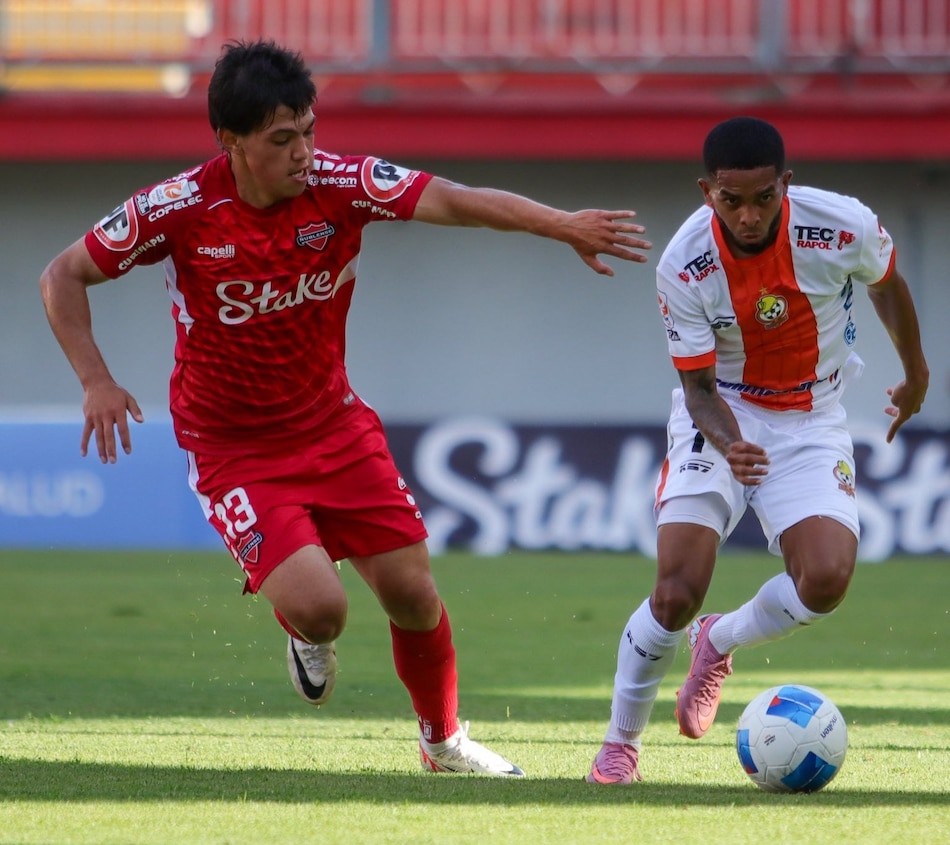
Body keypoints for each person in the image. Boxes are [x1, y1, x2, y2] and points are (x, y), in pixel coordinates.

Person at [39, 39, 651, 778]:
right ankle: (305, 631)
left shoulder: (341, 184)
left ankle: (443, 742)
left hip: (333, 423)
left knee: (414, 594)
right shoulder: (181, 208)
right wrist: (96, 379)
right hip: (233, 446)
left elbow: (454, 199)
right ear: (230, 142)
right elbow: (63, 273)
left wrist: (561, 225)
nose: (304, 152)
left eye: (309, 130)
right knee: (326, 609)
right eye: (282, 139)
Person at [586, 116, 929, 785]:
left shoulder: (842, 225)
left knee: (826, 580)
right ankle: (620, 743)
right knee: (676, 589)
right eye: (730, 199)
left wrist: (915, 373)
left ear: (786, 186)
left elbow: (888, 283)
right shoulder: (684, 263)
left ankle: (719, 641)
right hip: (722, 407)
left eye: (764, 198)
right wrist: (732, 443)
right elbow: (697, 384)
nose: (748, 214)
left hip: (812, 416)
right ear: (706, 190)